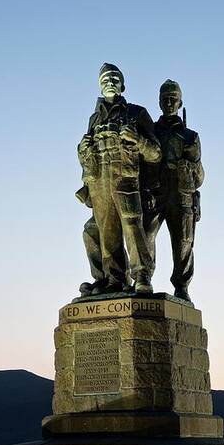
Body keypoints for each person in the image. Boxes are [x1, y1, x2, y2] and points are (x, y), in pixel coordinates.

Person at [77, 63, 161, 294]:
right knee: (105, 231)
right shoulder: (94, 119)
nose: (110, 81)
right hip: (100, 181)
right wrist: (82, 149)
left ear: (123, 85)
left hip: (126, 178)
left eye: (114, 78)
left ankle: (142, 275)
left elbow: (156, 154)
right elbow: (88, 156)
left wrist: (139, 140)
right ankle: (113, 279)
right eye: (105, 79)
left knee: (132, 226)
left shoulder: (137, 113)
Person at [145, 79, 204, 302]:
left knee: (183, 243)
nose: (169, 102)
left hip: (181, 193)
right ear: (159, 102)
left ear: (180, 102)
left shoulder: (191, 137)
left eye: (173, 99)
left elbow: (199, 178)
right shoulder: (150, 131)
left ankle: (181, 286)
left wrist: (190, 159)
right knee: (145, 234)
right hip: (155, 191)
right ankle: (144, 277)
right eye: (165, 99)